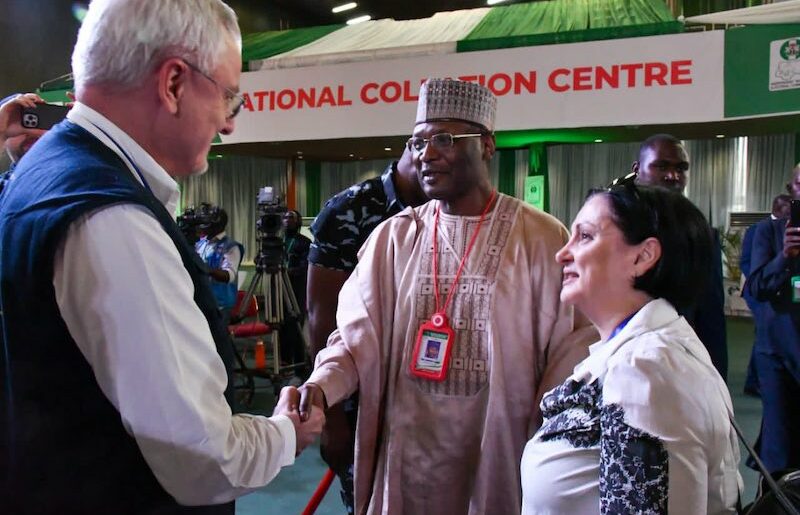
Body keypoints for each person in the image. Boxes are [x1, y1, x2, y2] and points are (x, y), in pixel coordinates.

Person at [0, 0, 323, 512]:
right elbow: (204, 459)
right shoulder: (112, 219)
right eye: (229, 98)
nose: (229, 125)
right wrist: (288, 433)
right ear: (173, 83)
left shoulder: (40, 171)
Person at [299, 78, 589, 514]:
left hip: (499, 453)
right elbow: (354, 342)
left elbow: (572, 347)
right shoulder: (394, 238)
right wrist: (321, 388)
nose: (426, 154)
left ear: (488, 146)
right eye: (418, 142)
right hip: (408, 453)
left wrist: (546, 438)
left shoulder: (542, 236)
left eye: (445, 139)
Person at [521, 176, 741, 514]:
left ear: (643, 257)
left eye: (585, 236)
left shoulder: (648, 371)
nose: (563, 254)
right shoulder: (640, 351)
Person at [306, 146, 427, 513]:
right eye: (432, 141)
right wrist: (333, 419)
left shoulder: (453, 207)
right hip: (363, 400)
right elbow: (321, 317)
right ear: (413, 145)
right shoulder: (349, 210)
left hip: (430, 399)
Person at [633, 133, 729, 380]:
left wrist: (716, 379)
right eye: (661, 166)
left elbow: (711, 318)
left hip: (682, 364)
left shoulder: (702, 234)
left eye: (681, 168)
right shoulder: (616, 229)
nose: (673, 176)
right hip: (625, 359)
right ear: (637, 170)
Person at [745, 164, 800, 474]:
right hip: (777, 351)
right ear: (791, 188)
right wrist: (785, 256)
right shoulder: (769, 232)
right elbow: (757, 287)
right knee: (779, 444)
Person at [740, 193, 791, 397]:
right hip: (757, 291)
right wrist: (756, 278)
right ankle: (755, 381)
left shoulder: (790, 229)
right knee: (765, 333)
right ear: (777, 209)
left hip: (779, 292)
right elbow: (747, 261)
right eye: (786, 210)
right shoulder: (759, 229)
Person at [195, 204, 243, 326]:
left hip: (220, 305)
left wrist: (205, 268)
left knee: (217, 342)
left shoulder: (231, 247)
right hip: (201, 301)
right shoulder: (201, 243)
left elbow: (229, 275)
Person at [279, 209, 311, 372]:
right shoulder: (277, 242)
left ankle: (299, 364)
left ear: (298, 222)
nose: (287, 220)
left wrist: (287, 272)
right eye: (284, 217)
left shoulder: (304, 242)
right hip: (277, 288)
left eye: (290, 217)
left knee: (295, 323)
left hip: (295, 289)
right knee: (280, 325)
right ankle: (283, 361)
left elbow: (306, 266)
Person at [0, 93, 48, 193]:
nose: (29, 132)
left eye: (37, 121)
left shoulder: (77, 176)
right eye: (19, 123)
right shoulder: (3, 188)